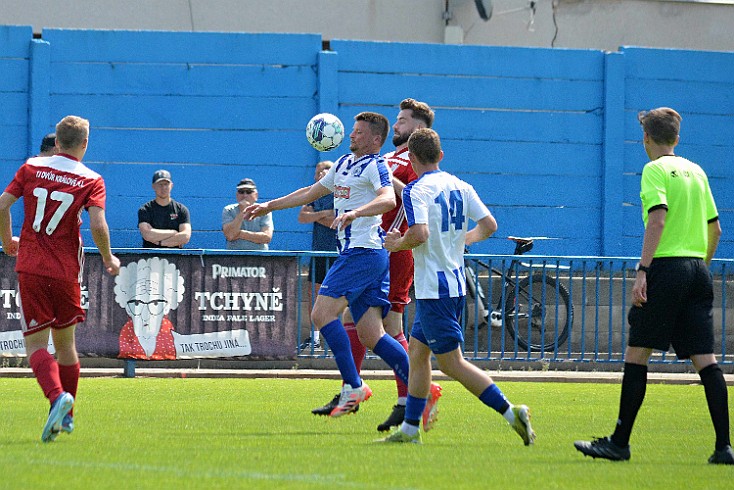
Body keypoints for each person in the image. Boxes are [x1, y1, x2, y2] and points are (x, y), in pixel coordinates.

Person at [574, 107, 732, 464]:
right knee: (706, 360)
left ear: (645, 138)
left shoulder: (653, 169)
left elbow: (657, 219)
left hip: (666, 268)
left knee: (637, 354)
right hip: (697, 269)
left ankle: (619, 443)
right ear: (677, 138)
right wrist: (698, 269)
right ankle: (724, 447)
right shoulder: (697, 171)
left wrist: (644, 270)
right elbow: (716, 230)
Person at [245, 112, 413, 418]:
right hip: (362, 255)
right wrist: (269, 205)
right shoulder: (343, 164)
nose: (352, 135)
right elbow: (310, 193)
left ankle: (353, 386)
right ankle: (415, 392)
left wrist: (355, 213)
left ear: (376, 140)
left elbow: (389, 200)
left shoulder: (376, 165)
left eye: (359, 133)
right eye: (352, 131)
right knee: (372, 335)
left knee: (321, 314)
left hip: (363, 253)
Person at [380, 128, 535, 445]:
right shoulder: (461, 186)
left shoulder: (415, 190)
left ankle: (510, 411)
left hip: (435, 289)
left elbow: (420, 234)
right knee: (418, 354)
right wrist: (463, 239)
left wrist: (397, 244)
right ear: (440, 156)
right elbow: (489, 225)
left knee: (452, 364)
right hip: (449, 284)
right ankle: (410, 430)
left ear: (410, 158)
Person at [311, 99, 438, 433]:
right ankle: (354, 390)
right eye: (395, 120)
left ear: (419, 129)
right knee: (363, 325)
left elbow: (410, 195)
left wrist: (377, 182)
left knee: (390, 325)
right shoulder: (387, 157)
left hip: (394, 248)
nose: (397, 125)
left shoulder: (413, 161)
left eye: (403, 121)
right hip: (374, 242)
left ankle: (412, 394)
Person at [0, 115, 120, 442]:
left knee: (36, 345)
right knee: (66, 345)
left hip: (32, 265)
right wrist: (108, 257)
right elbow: (97, 224)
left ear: (56, 142)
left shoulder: (30, 168)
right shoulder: (92, 178)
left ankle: (56, 398)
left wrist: (6, 240)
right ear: (85, 144)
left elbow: (3, 204)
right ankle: (68, 416)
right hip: (66, 269)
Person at [297, 161, 336, 350]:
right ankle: (315, 338)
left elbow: (337, 221)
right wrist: (324, 214)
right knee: (315, 293)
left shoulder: (341, 193)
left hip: (338, 252)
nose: (322, 173)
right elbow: (303, 217)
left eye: (326, 170)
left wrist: (317, 216)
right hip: (319, 251)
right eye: (319, 170)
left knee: (341, 296)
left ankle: (344, 337)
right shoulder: (314, 195)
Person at [138, 169, 191, 248]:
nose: (163, 187)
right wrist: (173, 233)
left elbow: (185, 236)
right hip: (150, 258)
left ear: (171, 186)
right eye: (160, 184)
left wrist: (160, 243)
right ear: (153, 186)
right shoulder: (145, 210)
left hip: (176, 258)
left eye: (166, 184)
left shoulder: (181, 210)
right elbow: (147, 235)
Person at [222, 178, 274, 250]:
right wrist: (243, 211)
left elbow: (266, 238)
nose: (245, 195)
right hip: (234, 256)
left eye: (249, 192)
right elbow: (230, 235)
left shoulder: (264, 210)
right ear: (237, 195)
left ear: (256, 195)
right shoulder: (229, 210)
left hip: (260, 257)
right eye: (241, 192)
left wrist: (240, 233)